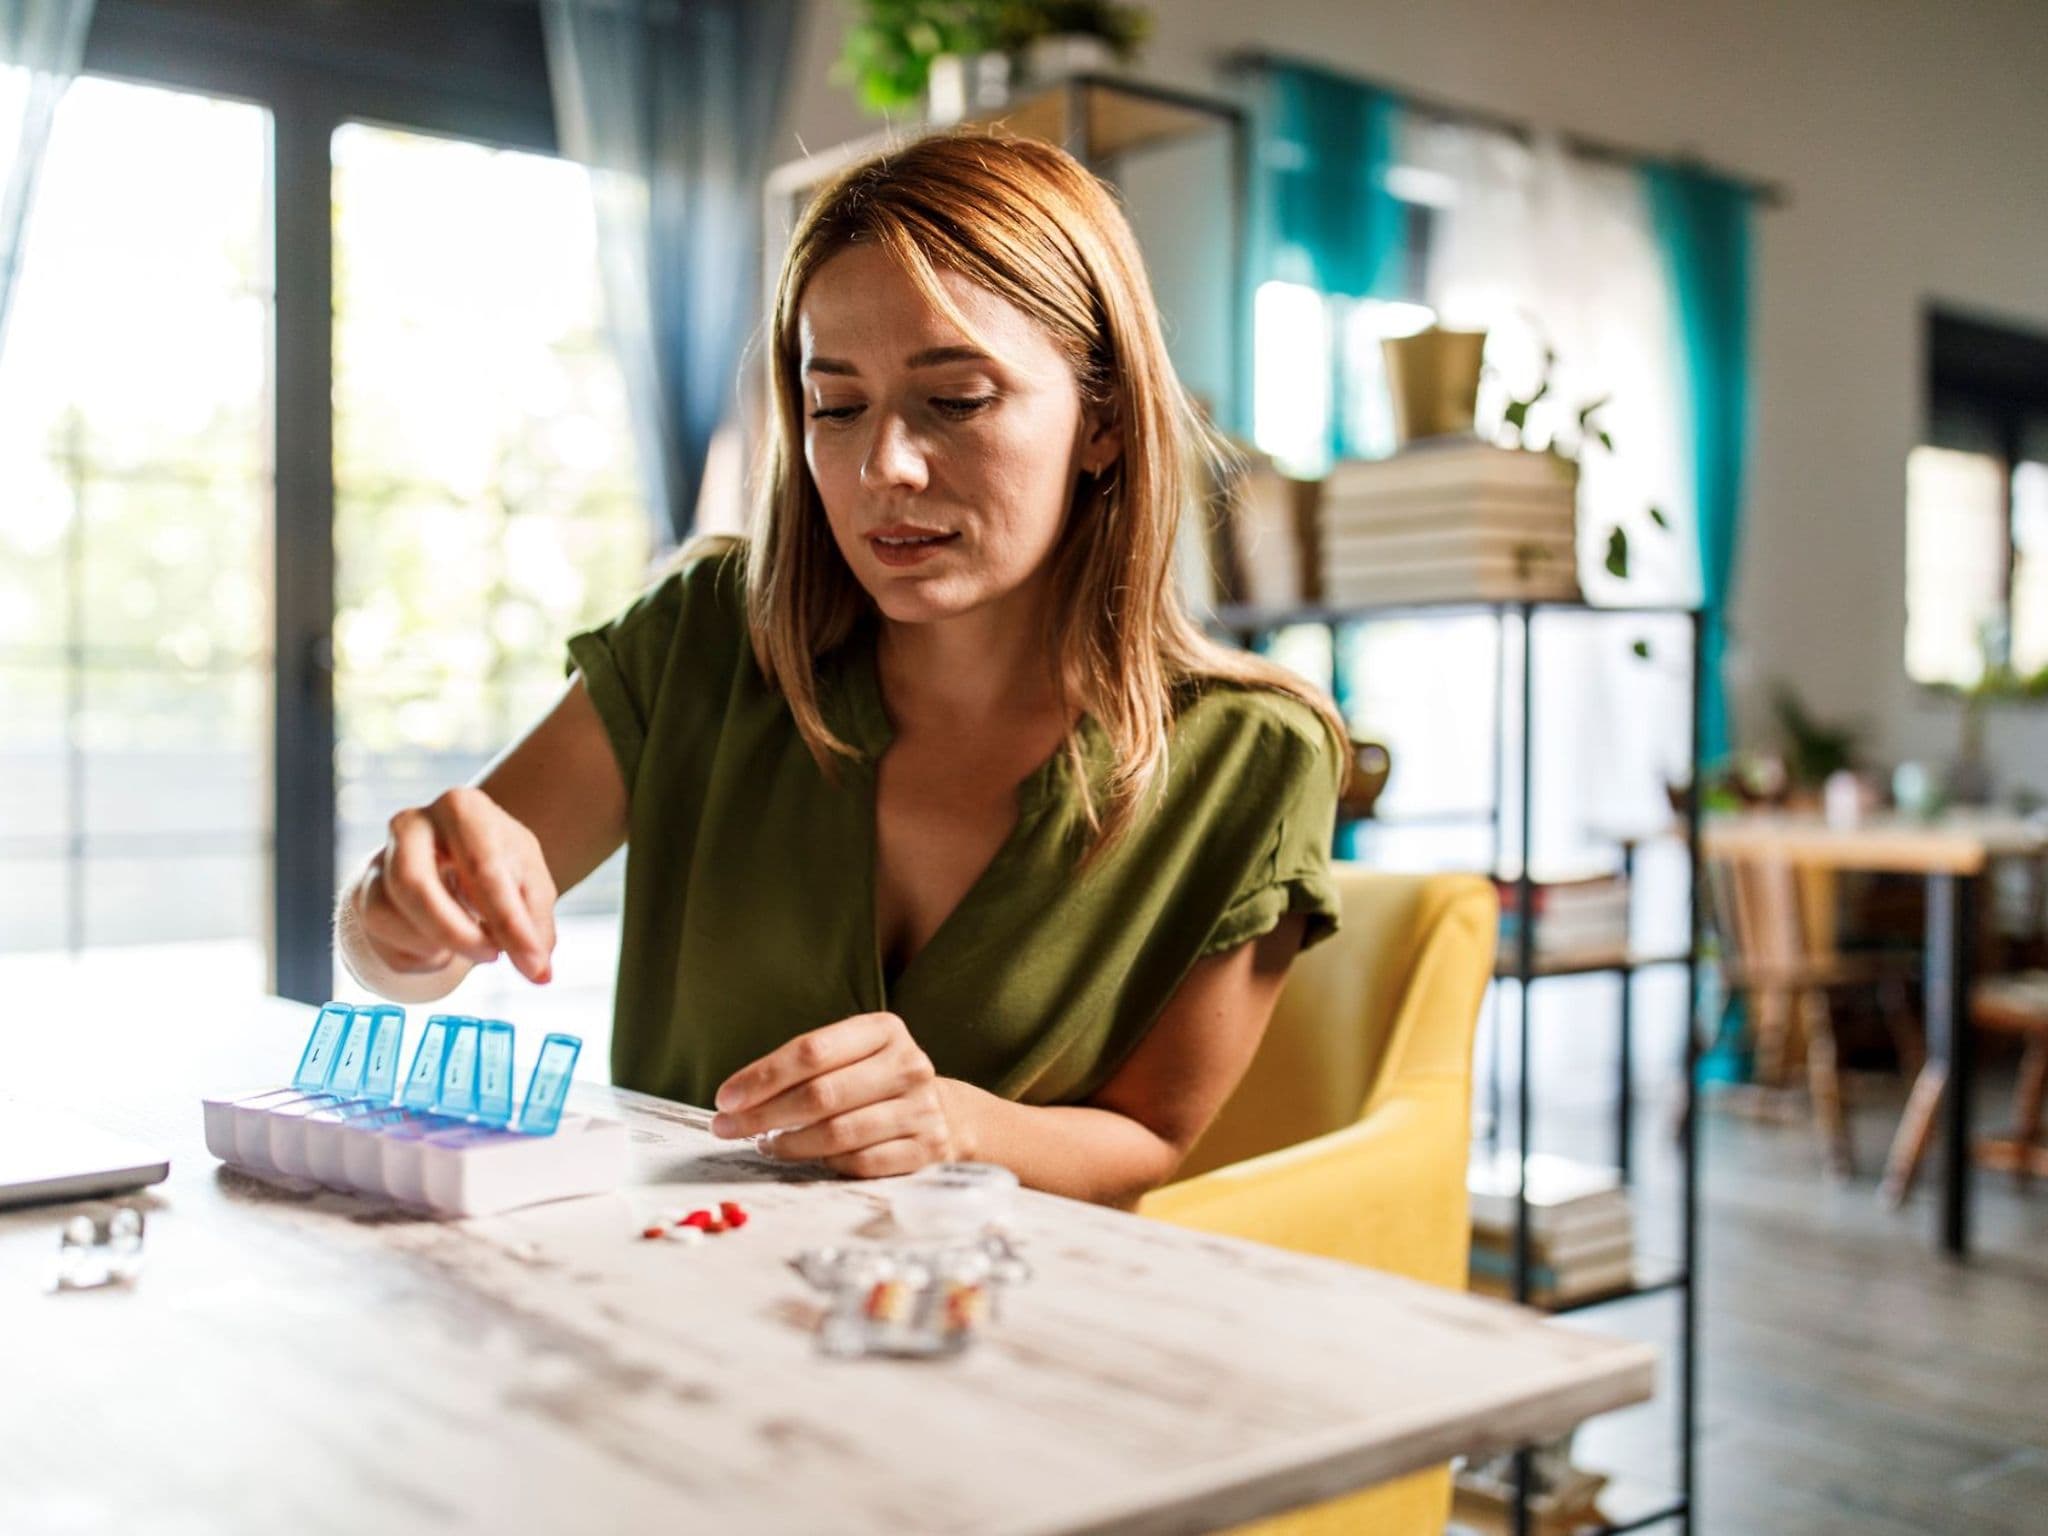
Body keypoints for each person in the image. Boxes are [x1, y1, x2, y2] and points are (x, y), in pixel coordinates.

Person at [336, 130, 1348, 1209]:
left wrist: (956, 1125)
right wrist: (400, 916)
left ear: (1102, 419)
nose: (883, 468)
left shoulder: (1251, 757)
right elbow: (403, 949)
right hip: (667, 1280)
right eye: (837, 406)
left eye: (956, 400)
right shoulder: (703, 640)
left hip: (985, 1296)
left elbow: (1152, 1139)